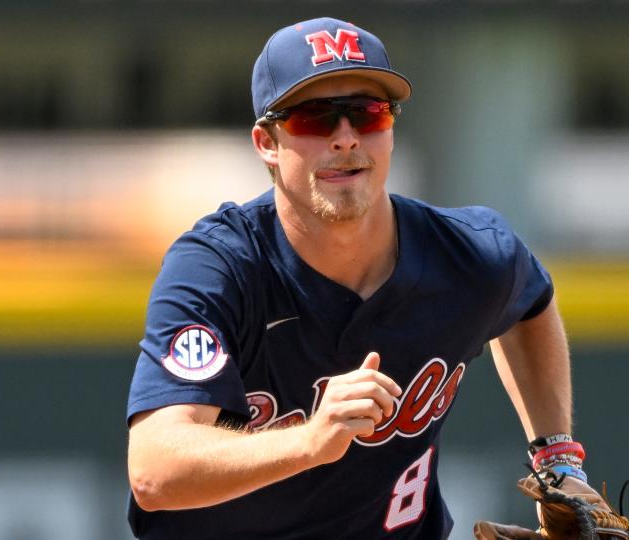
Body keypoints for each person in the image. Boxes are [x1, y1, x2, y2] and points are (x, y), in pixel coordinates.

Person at [126, 17, 591, 539]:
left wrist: (558, 460)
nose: (346, 138)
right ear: (267, 143)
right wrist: (311, 440)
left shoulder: (467, 253)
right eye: (314, 118)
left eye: (368, 114)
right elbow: (154, 469)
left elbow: (528, 302)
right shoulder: (219, 267)